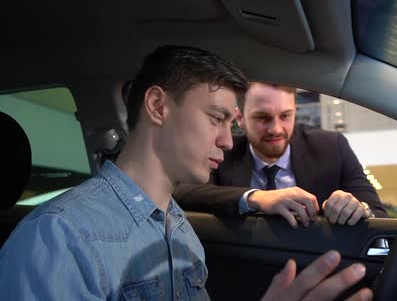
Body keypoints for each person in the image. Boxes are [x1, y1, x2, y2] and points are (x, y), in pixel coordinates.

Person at [0, 46, 372, 300]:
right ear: (158, 106)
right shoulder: (59, 237)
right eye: (216, 119)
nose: (228, 142)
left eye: (231, 124)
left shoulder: (179, 229)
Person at [175, 82, 388, 228]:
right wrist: (257, 198)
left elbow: (378, 212)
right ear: (239, 118)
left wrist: (358, 208)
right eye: (262, 118)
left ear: (295, 110)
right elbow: (183, 193)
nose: (276, 128)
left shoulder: (332, 147)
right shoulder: (225, 153)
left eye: (285, 116)